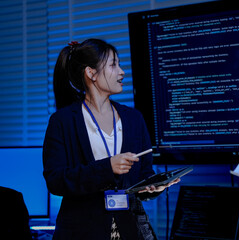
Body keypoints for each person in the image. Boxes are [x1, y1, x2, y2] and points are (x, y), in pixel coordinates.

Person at [43, 38, 179, 240]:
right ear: (91, 73)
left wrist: (152, 187)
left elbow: (143, 175)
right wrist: (107, 167)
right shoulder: (62, 121)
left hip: (131, 230)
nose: (121, 72)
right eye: (114, 65)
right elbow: (56, 181)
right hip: (81, 231)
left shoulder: (134, 118)